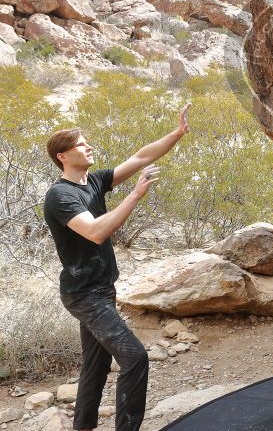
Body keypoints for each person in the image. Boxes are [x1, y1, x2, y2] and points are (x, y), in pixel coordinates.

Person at [43, 104, 190, 431]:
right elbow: (95, 232)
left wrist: (176, 134)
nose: (89, 146)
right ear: (63, 156)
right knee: (135, 358)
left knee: (95, 366)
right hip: (84, 295)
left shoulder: (92, 182)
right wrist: (135, 194)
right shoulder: (59, 195)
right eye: (82, 144)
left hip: (101, 290)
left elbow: (140, 157)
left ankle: (83, 426)